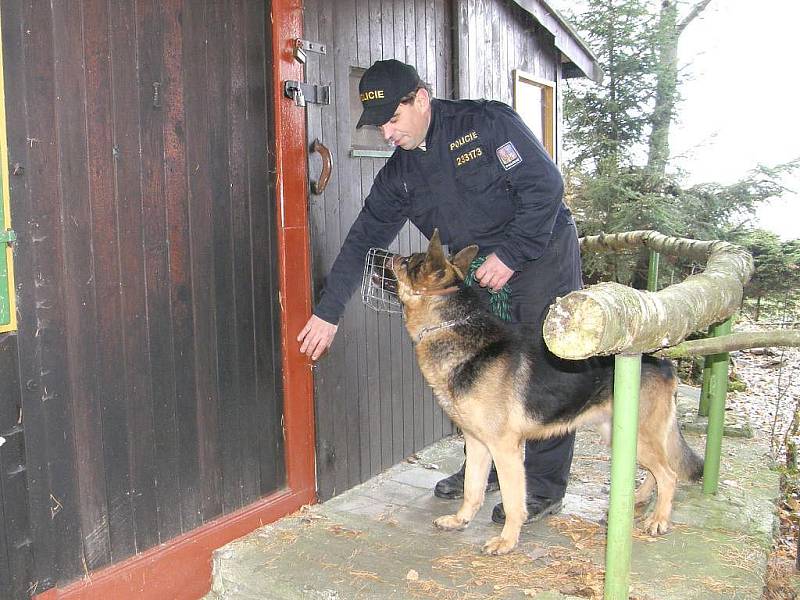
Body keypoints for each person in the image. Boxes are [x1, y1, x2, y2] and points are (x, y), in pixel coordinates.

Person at [297, 59, 583, 524]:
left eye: (393, 119)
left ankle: (544, 486)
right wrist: (328, 313)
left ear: (421, 99)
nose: (387, 133)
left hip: (538, 251)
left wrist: (511, 254)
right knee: (485, 368)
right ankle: (486, 468)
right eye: (379, 124)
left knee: (545, 365)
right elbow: (361, 241)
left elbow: (546, 186)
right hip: (478, 271)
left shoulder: (487, 124)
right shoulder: (400, 176)